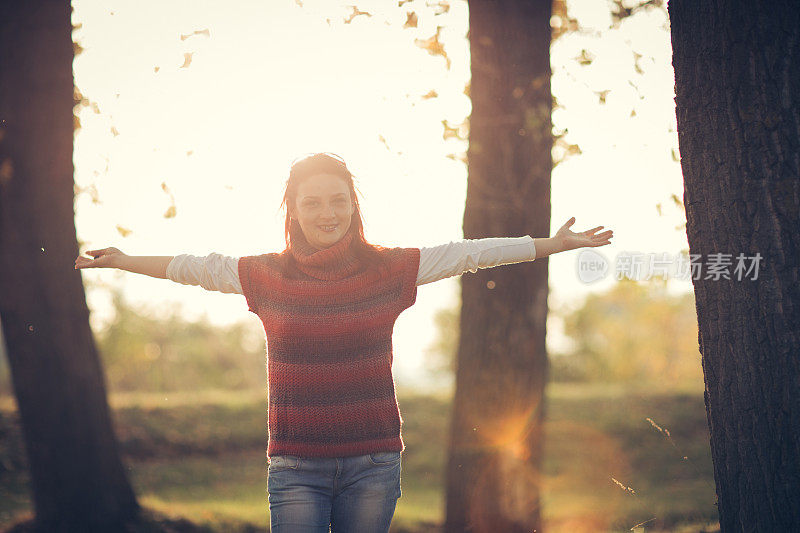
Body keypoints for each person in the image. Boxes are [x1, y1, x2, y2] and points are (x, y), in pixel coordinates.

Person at [74, 152, 613, 532]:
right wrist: (125, 262)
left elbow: (469, 252)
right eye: (313, 204)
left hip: (373, 461)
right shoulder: (265, 275)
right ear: (295, 212)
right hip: (295, 465)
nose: (327, 213)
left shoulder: (391, 268)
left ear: (354, 205)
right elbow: (195, 268)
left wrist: (551, 245)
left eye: (338, 200)